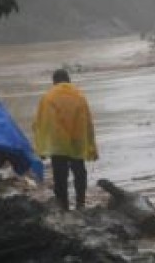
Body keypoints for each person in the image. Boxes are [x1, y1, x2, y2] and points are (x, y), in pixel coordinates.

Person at [33, 69, 98, 211]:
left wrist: (41, 148)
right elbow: (88, 121)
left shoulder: (48, 97)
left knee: (60, 174)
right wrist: (91, 146)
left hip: (58, 143)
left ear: (54, 82)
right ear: (69, 80)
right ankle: (80, 202)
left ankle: (64, 206)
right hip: (77, 140)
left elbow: (41, 123)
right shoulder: (79, 95)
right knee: (79, 170)